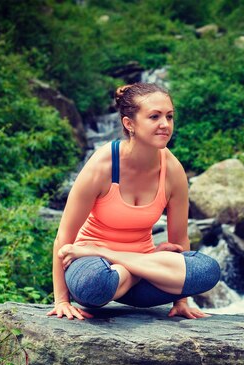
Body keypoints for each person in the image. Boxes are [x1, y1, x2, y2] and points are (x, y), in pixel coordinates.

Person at [47, 83, 221, 321]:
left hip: (142, 267)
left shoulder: (172, 170)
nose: (165, 124)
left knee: (207, 271)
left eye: (169, 116)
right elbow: (64, 239)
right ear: (129, 124)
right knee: (93, 284)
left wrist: (181, 301)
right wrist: (61, 301)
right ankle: (122, 262)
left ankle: (127, 265)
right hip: (94, 264)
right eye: (154, 116)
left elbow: (179, 241)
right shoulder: (103, 165)